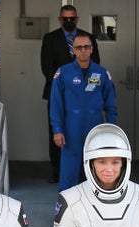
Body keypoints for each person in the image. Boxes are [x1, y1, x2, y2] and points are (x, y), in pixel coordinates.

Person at [41, 5, 100, 182]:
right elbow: (47, 67)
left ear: (77, 19)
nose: (68, 22)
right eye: (65, 19)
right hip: (57, 92)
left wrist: (81, 87)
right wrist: (65, 85)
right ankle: (57, 171)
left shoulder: (87, 38)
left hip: (84, 95)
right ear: (60, 20)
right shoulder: (50, 39)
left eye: (71, 18)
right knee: (57, 130)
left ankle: (84, 172)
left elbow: (95, 63)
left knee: (84, 132)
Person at [51, 33, 117, 192]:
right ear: (73, 50)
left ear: (92, 49)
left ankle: (95, 210)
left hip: (95, 127)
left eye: (86, 47)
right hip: (71, 128)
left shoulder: (101, 73)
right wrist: (57, 130)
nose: (83, 51)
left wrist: (111, 130)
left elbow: (111, 105)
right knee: (69, 172)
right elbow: (55, 104)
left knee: (95, 171)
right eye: (79, 47)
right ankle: (65, 211)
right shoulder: (63, 73)